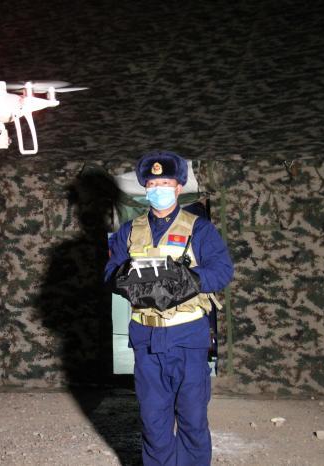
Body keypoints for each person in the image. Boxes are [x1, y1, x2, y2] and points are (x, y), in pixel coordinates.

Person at [104, 150, 234, 466]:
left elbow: (222, 270)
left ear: (178, 187)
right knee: (153, 420)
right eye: (152, 184)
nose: (158, 189)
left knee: (192, 418)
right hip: (147, 338)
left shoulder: (199, 229)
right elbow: (110, 273)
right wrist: (129, 280)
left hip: (187, 336)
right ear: (145, 189)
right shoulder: (129, 230)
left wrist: (186, 280)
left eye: (165, 183)